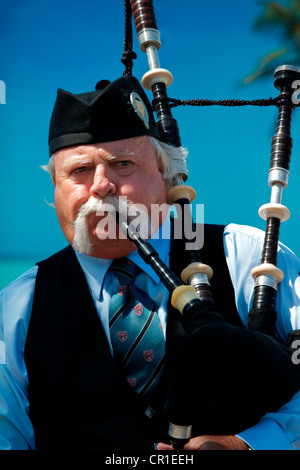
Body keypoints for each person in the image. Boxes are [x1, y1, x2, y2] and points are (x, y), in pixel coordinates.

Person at [1, 75, 300, 451]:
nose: (100, 185)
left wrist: (249, 444)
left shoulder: (244, 256)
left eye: (122, 164)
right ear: (56, 190)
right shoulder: (16, 308)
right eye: (78, 171)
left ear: (165, 175)